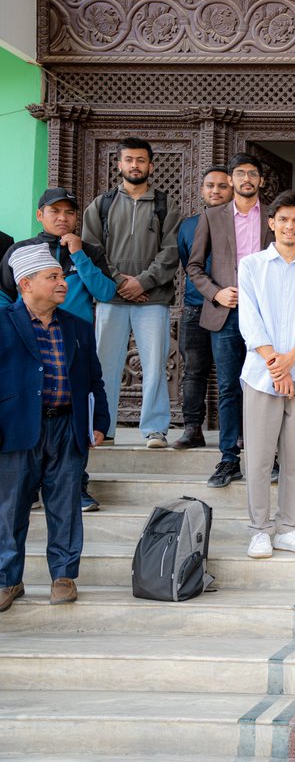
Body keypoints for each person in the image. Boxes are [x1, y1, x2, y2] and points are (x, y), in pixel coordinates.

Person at [0, 245, 109, 611]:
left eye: (61, 277)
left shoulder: (77, 326)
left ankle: (63, 576)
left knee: (65, 505)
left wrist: (100, 422)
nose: (63, 283)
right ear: (26, 283)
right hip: (16, 430)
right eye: (54, 277)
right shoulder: (3, 323)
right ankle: (7, 580)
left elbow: (94, 379)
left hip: (67, 427)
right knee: (10, 509)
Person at [1, 188, 117, 512]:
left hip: (75, 342)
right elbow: (4, 293)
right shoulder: (21, 250)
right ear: (40, 215)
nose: (62, 218)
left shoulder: (89, 251)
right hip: (27, 341)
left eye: (69, 212)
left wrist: (79, 254)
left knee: (74, 411)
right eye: (55, 212)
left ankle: (76, 485)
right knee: (32, 408)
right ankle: (29, 485)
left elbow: (106, 291)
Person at [238, 191, 295, 560]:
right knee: (259, 458)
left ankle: (288, 527)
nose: (290, 226)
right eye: (283, 219)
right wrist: (275, 365)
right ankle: (260, 529)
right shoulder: (252, 266)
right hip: (261, 375)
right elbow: (250, 320)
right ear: (271, 223)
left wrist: (289, 363)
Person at [81, 137, 181, 449]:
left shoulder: (166, 204)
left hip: (153, 298)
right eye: (129, 160)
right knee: (104, 364)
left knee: (154, 365)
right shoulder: (102, 204)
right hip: (111, 297)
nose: (134, 165)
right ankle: (103, 428)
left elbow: (171, 251)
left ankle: (154, 428)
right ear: (119, 164)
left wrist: (143, 282)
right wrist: (120, 283)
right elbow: (92, 248)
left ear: (151, 165)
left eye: (140, 160)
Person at [187, 153, 270, 489]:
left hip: (267, 315)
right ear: (232, 179)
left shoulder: (274, 217)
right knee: (228, 387)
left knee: (266, 385)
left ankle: (267, 454)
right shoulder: (212, 216)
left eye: (253, 173)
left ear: (261, 181)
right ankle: (228, 459)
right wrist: (216, 293)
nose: (246, 179)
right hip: (227, 313)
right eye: (240, 173)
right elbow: (193, 267)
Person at [173, 167, 234, 452]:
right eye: (210, 185)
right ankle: (192, 428)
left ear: (232, 189)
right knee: (194, 371)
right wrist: (211, 292)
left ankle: (237, 431)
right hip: (196, 308)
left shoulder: (240, 223)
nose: (216, 191)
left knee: (231, 374)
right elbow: (190, 264)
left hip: (232, 309)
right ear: (201, 190)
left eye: (222, 186)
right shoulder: (188, 225)